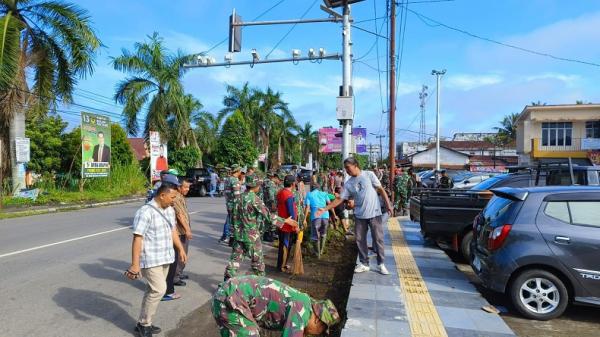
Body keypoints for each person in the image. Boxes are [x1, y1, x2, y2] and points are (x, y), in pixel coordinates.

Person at [125, 179, 187, 337]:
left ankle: (144, 322)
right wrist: (135, 265)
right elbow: (137, 238)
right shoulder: (145, 212)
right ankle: (145, 324)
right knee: (159, 290)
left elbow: (172, 230)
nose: (174, 201)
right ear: (162, 195)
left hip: (166, 257)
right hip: (151, 259)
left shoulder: (169, 210)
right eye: (172, 197)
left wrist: (180, 248)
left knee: (152, 290)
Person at [316, 157, 392, 275]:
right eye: (345, 168)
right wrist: (325, 208)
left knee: (378, 239)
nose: (347, 171)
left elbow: (381, 189)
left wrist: (388, 205)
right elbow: (340, 199)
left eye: (348, 168)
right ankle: (364, 263)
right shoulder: (349, 183)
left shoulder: (369, 175)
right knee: (360, 240)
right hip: (359, 215)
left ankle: (381, 263)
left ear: (355, 165)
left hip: (374, 213)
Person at [224, 173, 298, 280]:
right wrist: (285, 220)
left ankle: (226, 284)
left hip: (238, 235)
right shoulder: (255, 199)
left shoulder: (238, 198)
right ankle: (260, 286)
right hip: (252, 236)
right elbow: (268, 216)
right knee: (258, 265)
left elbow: (232, 215)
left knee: (234, 261)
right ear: (256, 186)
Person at [212, 275, 340, 337]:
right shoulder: (302, 311)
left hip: (229, 297)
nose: (316, 335)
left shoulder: (304, 302)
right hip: (232, 299)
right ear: (318, 319)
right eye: (321, 331)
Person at [171, 178, 193, 287]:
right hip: (180, 231)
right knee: (181, 253)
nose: (187, 189)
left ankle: (179, 273)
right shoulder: (176, 198)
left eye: (188, 187)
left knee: (183, 253)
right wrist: (187, 230)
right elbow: (180, 215)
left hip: (182, 230)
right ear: (179, 187)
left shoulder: (181, 197)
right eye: (185, 187)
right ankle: (175, 277)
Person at [276, 175, 298, 271]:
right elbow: (291, 212)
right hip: (287, 225)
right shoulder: (288, 195)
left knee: (282, 245)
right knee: (286, 245)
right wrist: (295, 225)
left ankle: (281, 264)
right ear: (293, 184)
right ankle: (282, 266)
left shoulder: (280, 192)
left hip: (280, 222)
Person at [304, 183, 332, 257]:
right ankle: (321, 251)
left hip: (316, 216)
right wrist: (334, 215)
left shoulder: (309, 194)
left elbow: (307, 207)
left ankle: (317, 253)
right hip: (325, 215)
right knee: (323, 234)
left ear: (312, 188)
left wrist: (304, 219)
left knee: (315, 235)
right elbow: (330, 204)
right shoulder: (324, 193)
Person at [219, 165, 242, 245]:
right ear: (237, 171)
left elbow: (225, 192)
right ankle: (233, 241)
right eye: (240, 171)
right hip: (234, 204)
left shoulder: (227, 179)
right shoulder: (235, 180)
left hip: (228, 203)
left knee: (231, 221)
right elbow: (237, 195)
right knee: (235, 223)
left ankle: (230, 240)